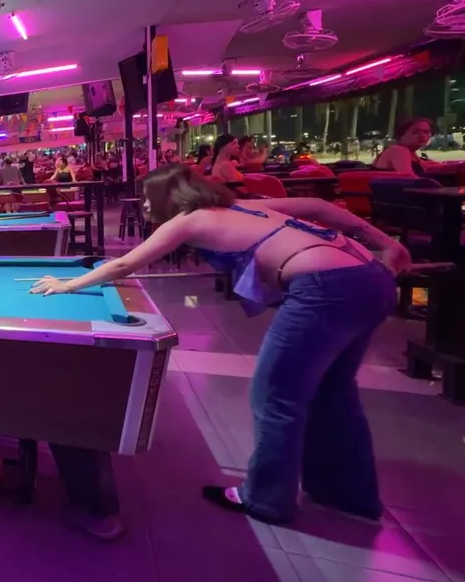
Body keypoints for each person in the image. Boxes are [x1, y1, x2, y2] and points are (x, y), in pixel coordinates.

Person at [32, 164, 411, 526]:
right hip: (372, 277)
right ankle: (349, 496)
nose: (145, 204)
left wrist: (67, 285)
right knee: (334, 392)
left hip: (325, 288)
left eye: (148, 196)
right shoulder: (238, 206)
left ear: (170, 196)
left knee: (276, 395)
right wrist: (387, 244)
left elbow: (122, 265)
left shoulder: (189, 219)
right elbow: (318, 206)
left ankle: (266, 500)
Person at [373, 117, 464, 177]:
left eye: (426, 132)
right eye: (415, 132)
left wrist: (457, 166)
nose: (422, 136)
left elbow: (427, 167)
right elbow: (408, 178)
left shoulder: (411, 153)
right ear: (400, 135)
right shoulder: (399, 150)